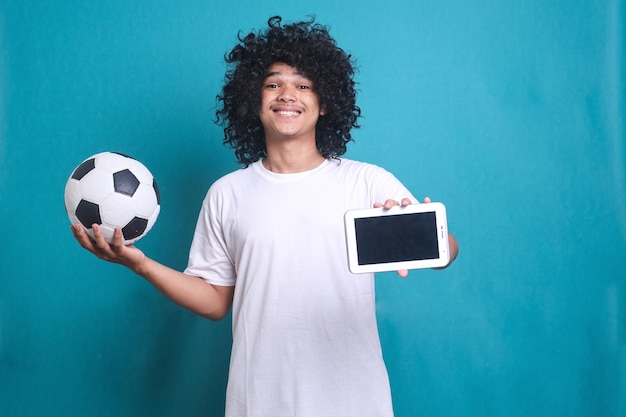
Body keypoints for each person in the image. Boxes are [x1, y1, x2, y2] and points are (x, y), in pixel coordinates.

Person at [71, 16, 459, 417]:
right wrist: (142, 265)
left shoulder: (366, 182)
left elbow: (447, 249)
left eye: (303, 85)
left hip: (354, 401)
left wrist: (419, 229)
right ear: (253, 101)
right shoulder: (227, 193)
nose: (287, 94)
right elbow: (216, 300)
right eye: (273, 83)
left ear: (325, 103)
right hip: (258, 401)